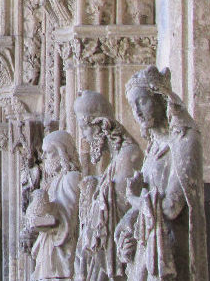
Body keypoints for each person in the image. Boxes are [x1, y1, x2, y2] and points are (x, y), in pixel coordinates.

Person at [114, 67, 206, 280]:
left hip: (173, 254)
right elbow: (148, 205)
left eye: (142, 101)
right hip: (148, 255)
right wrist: (125, 228)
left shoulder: (184, 140)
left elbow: (170, 207)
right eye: (132, 105)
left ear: (160, 99)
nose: (136, 112)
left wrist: (133, 198)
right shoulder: (154, 149)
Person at [73, 90, 142, 281]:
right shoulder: (115, 161)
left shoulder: (128, 156)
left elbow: (122, 210)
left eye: (84, 128)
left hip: (117, 259)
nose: (84, 138)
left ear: (102, 124)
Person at [22, 130, 81, 280]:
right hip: (49, 247)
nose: (43, 157)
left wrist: (42, 219)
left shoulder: (71, 178)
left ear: (61, 152)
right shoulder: (54, 182)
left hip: (60, 250)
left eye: (48, 153)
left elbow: (68, 219)